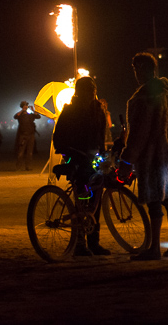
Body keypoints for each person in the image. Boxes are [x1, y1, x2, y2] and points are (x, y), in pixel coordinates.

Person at [119, 52, 168, 260]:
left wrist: (127, 159)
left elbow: (139, 133)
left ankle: (154, 248)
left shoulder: (143, 97)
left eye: (137, 69)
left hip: (151, 156)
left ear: (145, 69)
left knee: (154, 200)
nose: (136, 73)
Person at [52, 76, 110, 256]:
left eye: (93, 90)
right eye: (87, 90)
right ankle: (79, 243)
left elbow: (101, 137)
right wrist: (71, 153)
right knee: (83, 198)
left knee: (96, 199)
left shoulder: (98, 111)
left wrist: (103, 152)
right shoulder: (69, 111)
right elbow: (59, 139)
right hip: (76, 158)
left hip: (93, 158)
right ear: (79, 92)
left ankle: (94, 242)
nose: (91, 93)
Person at [14, 101, 41, 171]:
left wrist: (33, 110)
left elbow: (38, 116)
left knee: (30, 152)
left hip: (31, 135)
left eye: (26, 105)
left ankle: (28, 166)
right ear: (22, 106)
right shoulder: (21, 115)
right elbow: (15, 116)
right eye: (25, 105)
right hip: (23, 135)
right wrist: (22, 110)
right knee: (21, 152)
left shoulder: (30, 115)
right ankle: (18, 167)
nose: (26, 106)